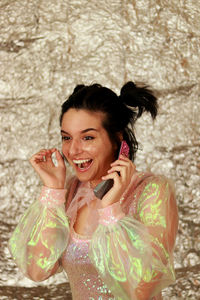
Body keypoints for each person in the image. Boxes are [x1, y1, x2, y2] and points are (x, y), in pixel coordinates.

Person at [9, 82, 178, 300]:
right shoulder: (71, 191)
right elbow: (37, 270)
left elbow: (142, 288)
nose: (73, 150)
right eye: (67, 137)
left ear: (117, 139)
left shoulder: (152, 191)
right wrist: (52, 191)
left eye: (88, 137)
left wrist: (110, 210)